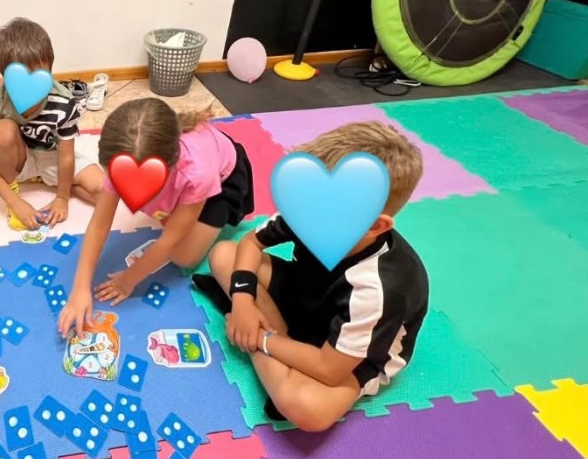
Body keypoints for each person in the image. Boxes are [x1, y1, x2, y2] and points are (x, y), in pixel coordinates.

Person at [194, 121, 429, 432]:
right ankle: (279, 358)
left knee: (308, 410)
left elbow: (329, 369)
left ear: (375, 226)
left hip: (349, 356)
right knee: (224, 253)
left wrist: (259, 338)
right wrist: (242, 304)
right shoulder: (312, 209)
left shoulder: (376, 288)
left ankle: (271, 353)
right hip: (305, 299)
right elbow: (251, 243)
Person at [58, 98, 254, 336]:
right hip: (178, 170)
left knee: (184, 257)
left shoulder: (196, 174)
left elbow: (170, 241)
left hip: (223, 180)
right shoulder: (121, 161)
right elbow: (99, 224)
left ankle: (178, 205)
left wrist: (128, 280)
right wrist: (80, 288)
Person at [0, 17, 103, 232]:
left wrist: (62, 197)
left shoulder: (63, 101)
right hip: (18, 162)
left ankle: (48, 180)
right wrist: (14, 202)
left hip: (51, 158)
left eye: (38, 75)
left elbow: (66, 155)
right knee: (2, 130)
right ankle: (19, 184)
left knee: (104, 191)